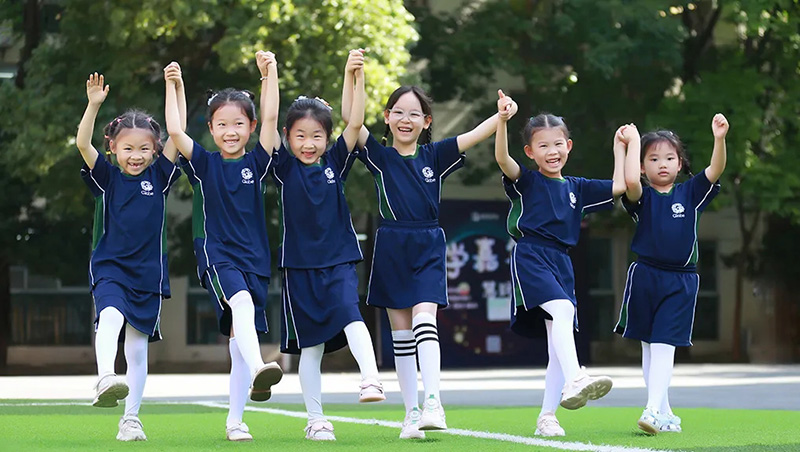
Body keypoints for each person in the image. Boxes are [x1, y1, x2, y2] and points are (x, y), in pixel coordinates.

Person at [341, 56, 513, 438]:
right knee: (401, 337)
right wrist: (354, 76)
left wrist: (501, 115)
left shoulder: (435, 155)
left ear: (426, 121)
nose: (406, 119)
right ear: (387, 117)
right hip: (391, 244)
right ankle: (411, 414)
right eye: (399, 112)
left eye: (414, 114)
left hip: (428, 243)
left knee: (424, 319)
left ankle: (434, 401)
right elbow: (351, 119)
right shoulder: (379, 157)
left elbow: (474, 134)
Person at [256, 49, 383, 442]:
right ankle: (316, 420)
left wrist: (354, 75)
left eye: (317, 137)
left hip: (339, 260)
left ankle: (371, 379)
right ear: (288, 137)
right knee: (309, 347)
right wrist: (270, 74)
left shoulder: (336, 162)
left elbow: (356, 121)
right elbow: (269, 119)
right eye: (300, 136)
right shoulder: (283, 167)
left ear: (328, 139)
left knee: (351, 314)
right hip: (298, 268)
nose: (308, 143)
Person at [164, 61, 283, 442]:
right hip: (216, 253)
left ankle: (235, 421)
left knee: (237, 337)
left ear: (251, 127)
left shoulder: (258, 162)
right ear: (211, 128)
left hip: (255, 258)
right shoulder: (203, 163)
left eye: (238, 124)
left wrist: (269, 74)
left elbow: (272, 117)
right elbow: (175, 130)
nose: (230, 131)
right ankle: (260, 366)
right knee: (241, 304)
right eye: (221, 124)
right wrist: (175, 86)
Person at [495, 93, 626, 437]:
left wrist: (620, 147)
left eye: (557, 144)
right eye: (543, 146)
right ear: (530, 152)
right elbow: (502, 158)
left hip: (561, 261)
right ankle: (576, 378)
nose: (552, 152)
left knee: (557, 344)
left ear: (568, 146)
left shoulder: (577, 187)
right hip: (531, 255)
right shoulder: (526, 181)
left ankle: (547, 417)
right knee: (563, 310)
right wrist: (503, 121)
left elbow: (619, 187)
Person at [77, 71, 184, 441]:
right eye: (128, 148)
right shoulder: (106, 177)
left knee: (137, 349)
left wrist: (174, 87)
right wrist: (93, 105)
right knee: (109, 316)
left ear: (154, 150)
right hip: (110, 267)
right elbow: (82, 143)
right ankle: (106, 377)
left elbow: (178, 132)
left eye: (143, 149)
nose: (136, 156)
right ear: (113, 148)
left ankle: (131, 419)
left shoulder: (161, 177)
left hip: (148, 275)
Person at [614, 114, 729, 435]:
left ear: (680, 164)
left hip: (681, 280)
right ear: (641, 166)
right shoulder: (641, 196)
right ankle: (663, 411)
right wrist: (631, 143)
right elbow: (630, 183)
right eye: (653, 159)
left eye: (669, 158)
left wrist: (719, 138)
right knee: (650, 347)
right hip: (645, 276)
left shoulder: (690, 193)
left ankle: (652, 410)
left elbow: (716, 169)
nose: (661, 164)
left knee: (665, 343)